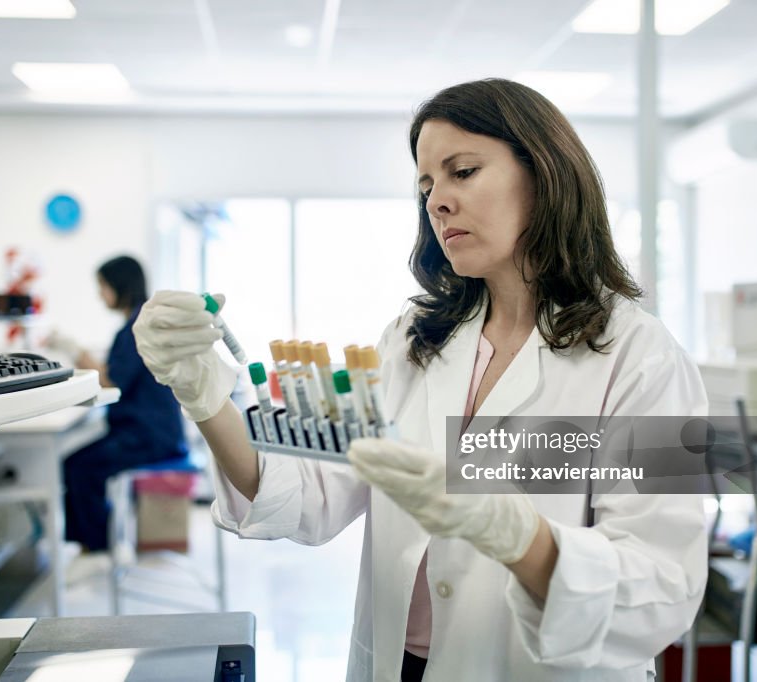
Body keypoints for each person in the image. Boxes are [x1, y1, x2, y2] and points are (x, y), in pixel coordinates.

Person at [132, 79, 707, 681]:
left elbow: (662, 582)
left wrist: (523, 539)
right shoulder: (414, 339)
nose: (437, 202)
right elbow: (309, 494)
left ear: (544, 173)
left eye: (462, 171)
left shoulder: (640, 358)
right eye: (427, 185)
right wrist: (201, 392)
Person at [53, 255, 188, 552]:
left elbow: (110, 380)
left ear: (119, 285)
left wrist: (74, 349)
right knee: (76, 465)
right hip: (150, 432)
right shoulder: (138, 324)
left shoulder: (136, 329)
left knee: (79, 468)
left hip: (148, 437)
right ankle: (93, 543)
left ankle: (99, 547)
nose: (99, 294)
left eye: (102, 285)